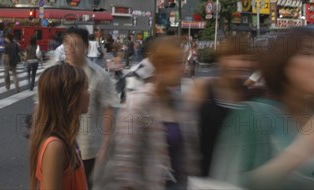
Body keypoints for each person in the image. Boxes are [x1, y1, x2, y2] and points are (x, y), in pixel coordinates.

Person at [210, 28, 314, 190]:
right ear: (285, 65)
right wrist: (306, 147)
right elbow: (230, 182)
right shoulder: (252, 116)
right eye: (309, 54)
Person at [95, 36, 199, 189]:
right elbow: (125, 163)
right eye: (177, 63)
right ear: (163, 65)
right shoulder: (139, 103)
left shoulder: (179, 102)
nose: (183, 69)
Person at [187, 34, 257, 177]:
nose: (239, 64)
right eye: (232, 57)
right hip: (203, 180)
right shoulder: (202, 89)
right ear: (221, 60)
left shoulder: (253, 99)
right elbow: (186, 138)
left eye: (244, 58)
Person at [63, 27, 117, 188]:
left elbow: (108, 109)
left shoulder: (100, 75)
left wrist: (106, 143)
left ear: (86, 47)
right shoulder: (54, 72)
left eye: (76, 44)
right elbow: (41, 106)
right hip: (56, 145)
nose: (70, 49)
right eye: (67, 44)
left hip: (85, 148)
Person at [29, 62, 90, 190]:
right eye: (85, 88)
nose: (89, 94)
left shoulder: (66, 137)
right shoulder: (54, 146)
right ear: (70, 97)